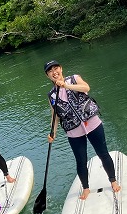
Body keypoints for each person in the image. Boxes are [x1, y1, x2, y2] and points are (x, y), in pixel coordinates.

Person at [44, 60, 121, 200]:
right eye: (50, 71)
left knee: (103, 153)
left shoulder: (74, 79)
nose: (54, 72)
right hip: (73, 132)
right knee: (80, 161)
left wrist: (66, 85)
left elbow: (86, 88)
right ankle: (86, 188)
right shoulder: (51, 96)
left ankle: (113, 180)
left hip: (92, 123)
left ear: (61, 69)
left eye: (56, 68)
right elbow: (54, 116)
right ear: (48, 76)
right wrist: (52, 133)